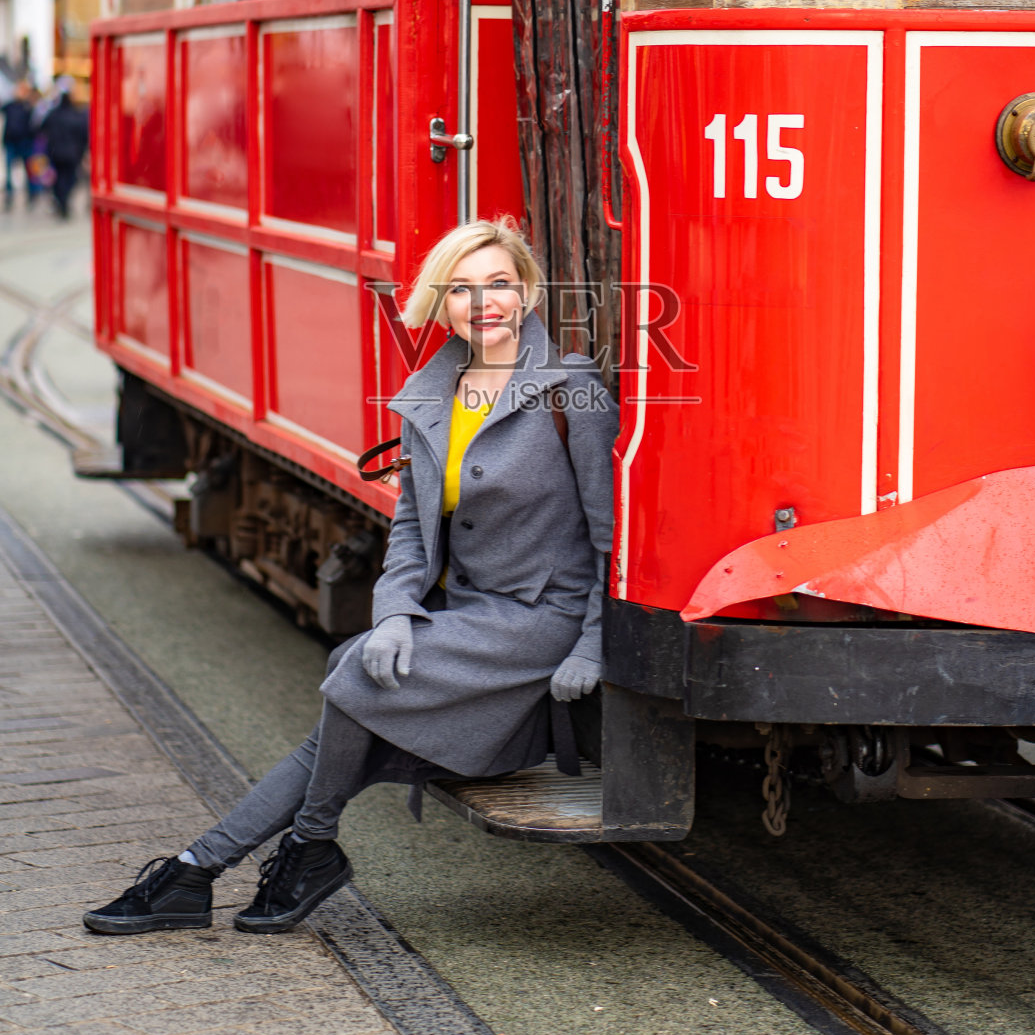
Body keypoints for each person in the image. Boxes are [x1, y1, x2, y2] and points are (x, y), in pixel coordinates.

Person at [84, 217, 617, 936]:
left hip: (537, 619)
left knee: (351, 678)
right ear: (441, 304)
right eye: (462, 289)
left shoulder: (570, 392)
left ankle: (267, 856)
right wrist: (394, 611)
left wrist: (589, 643)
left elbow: (608, 533)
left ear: (526, 294)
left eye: (498, 284)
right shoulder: (430, 391)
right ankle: (212, 866)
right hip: (461, 612)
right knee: (354, 691)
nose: (483, 302)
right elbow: (408, 527)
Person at [42, 82, 89, 219]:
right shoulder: (76, 115)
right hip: (72, 153)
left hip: (55, 152)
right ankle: (63, 201)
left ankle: (61, 200)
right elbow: (84, 134)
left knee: (60, 178)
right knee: (70, 178)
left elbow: (40, 128)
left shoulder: (53, 114)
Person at [2, 80, 39, 209]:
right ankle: (9, 196)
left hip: (25, 142)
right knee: (9, 170)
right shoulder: (10, 105)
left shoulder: (28, 106)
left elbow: (35, 123)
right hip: (11, 142)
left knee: (29, 170)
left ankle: (32, 194)